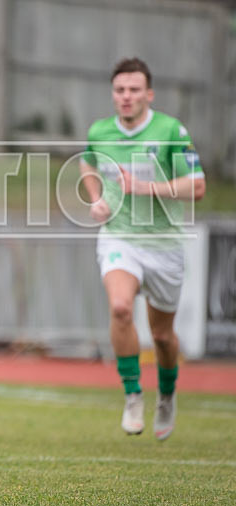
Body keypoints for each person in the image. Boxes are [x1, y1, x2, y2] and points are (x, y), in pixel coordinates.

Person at [81, 58, 205, 440]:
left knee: (163, 336)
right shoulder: (100, 132)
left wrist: (146, 187)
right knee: (120, 308)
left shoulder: (171, 130)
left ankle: (166, 394)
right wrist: (96, 199)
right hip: (120, 237)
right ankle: (133, 394)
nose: (126, 97)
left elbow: (197, 186)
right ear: (113, 94)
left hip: (164, 244)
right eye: (120, 90)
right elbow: (88, 165)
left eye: (134, 90)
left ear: (148, 94)